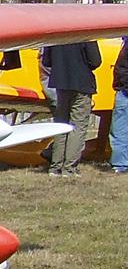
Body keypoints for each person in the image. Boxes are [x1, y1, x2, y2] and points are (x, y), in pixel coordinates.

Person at [43, 38, 102, 176]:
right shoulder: (86, 34)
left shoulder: (56, 33)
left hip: (61, 84)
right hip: (82, 83)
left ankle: (55, 167)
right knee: (78, 126)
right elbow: (96, 61)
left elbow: (46, 61)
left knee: (61, 124)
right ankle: (69, 168)